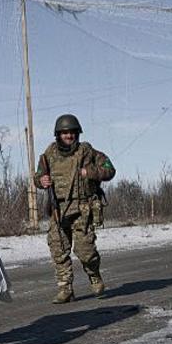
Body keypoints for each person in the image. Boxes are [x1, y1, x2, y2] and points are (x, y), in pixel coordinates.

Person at [34, 114, 116, 303]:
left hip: (82, 209)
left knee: (85, 251)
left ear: (77, 133)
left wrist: (91, 172)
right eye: (64, 133)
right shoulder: (49, 155)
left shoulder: (87, 152)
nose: (68, 136)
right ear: (58, 134)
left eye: (71, 132)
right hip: (58, 209)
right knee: (58, 249)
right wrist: (41, 180)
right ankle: (65, 288)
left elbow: (110, 169)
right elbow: (38, 176)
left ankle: (94, 275)